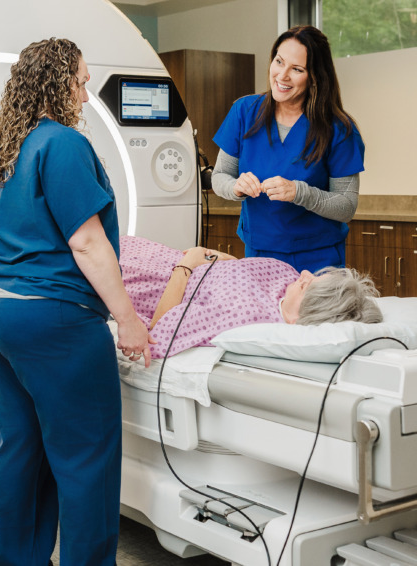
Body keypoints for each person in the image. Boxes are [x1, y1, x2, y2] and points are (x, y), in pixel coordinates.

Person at [0, 38, 152, 566]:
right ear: (56, 83)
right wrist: (128, 319)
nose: (86, 93)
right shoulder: (62, 143)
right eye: (81, 81)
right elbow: (86, 242)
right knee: (86, 457)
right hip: (50, 317)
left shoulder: (1, 147)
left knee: (22, 445)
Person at [211, 25, 366, 273]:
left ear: (314, 76)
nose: (282, 76)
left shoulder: (339, 129)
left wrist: (298, 192)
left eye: (297, 69)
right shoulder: (244, 112)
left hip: (318, 259)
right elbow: (219, 176)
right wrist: (236, 187)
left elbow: (346, 206)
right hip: (259, 254)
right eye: (279, 62)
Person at [118, 235, 382, 359]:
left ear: (301, 317)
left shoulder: (245, 317)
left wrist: (187, 265)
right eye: (311, 276)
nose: (303, 274)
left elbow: (162, 332)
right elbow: (238, 266)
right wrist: (209, 255)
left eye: (306, 286)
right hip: (146, 252)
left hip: (137, 280)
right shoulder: (286, 275)